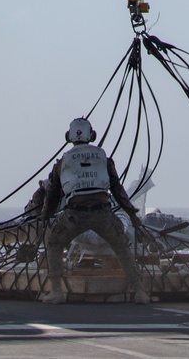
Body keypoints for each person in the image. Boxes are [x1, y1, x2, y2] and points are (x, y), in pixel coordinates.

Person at [39, 118, 150, 304]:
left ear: (69, 136)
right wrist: (132, 215)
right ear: (92, 135)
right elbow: (118, 190)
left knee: (54, 243)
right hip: (103, 213)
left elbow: (52, 194)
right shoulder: (103, 158)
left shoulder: (62, 162)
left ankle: (56, 292)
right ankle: (139, 292)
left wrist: (45, 215)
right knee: (122, 247)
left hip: (75, 214)